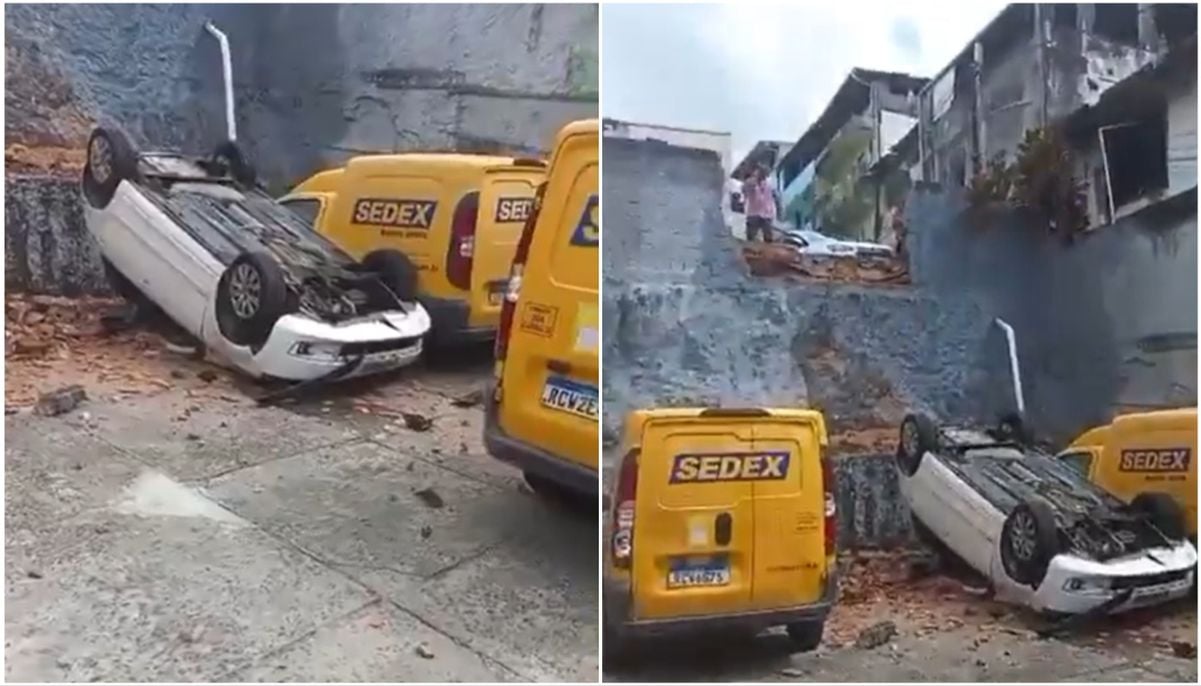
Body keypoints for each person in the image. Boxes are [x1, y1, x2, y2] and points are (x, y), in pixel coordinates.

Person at [742, 164, 776, 243]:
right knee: (751, 236)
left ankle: (767, 251)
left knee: (768, 237)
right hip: (753, 212)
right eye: (758, 172)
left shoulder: (769, 183)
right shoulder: (750, 182)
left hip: (767, 212)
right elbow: (744, 191)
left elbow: (775, 196)